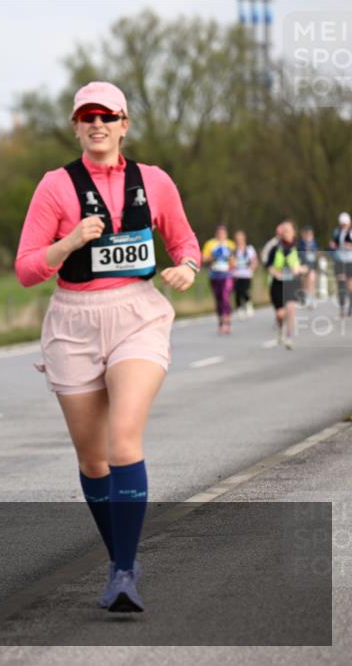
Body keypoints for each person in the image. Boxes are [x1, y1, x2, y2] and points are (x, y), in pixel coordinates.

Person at [15, 82, 201, 613]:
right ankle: (122, 557)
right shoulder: (55, 187)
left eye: (107, 115)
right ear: (75, 126)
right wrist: (71, 241)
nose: (97, 123)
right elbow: (27, 269)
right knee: (93, 458)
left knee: (123, 442)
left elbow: (185, 241)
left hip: (137, 314)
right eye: (86, 116)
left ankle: (122, 570)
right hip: (73, 321)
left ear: (125, 124)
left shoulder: (155, 181)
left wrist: (186, 267)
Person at [266, 220, 305, 349]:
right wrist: (275, 273)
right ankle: (280, 330)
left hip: (292, 283)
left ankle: (289, 336)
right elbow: (268, 265)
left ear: (294, 232)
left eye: (289, 230)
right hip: (278, 283)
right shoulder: (275, 248)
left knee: (291, 309)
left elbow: (308, 266)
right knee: (280, 314)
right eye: (284, 230)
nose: (286, 233)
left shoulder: (299, 247)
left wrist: (299, 269)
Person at [202, 224, 235, 333]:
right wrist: (213, 255)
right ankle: (221, 322)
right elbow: (203, 258)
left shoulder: (230, 244)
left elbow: (234, 260)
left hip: (227, 275)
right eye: (219, 233)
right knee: (218, 299)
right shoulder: (210, 244)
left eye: (223, 233)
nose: (221, 235)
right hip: (215, 275)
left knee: (226, 297)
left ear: (226, 234)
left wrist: (230, 260)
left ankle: (228, 322)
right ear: (216, 234)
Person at [231, 230, 258, 318]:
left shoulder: (249, 249)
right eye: (237, 238)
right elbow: (231, 261)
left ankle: (248, 305)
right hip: (237, 274)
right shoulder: (234, 250)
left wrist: (252, 267)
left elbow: (254, 260)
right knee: (238, 292)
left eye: (240, 238)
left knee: (246, 290)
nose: (239, 240)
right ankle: (239, 308)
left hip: (246, 274)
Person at [331, 212, 352, 318]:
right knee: (341, 283)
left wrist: (347, 245)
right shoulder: (337, 232)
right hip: (339, 260)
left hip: (350, 260)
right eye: (342, 224)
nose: (344, 226)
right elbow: (333, 244)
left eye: (345, 224)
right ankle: (342, 308)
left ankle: (350, 306)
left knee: (350, 285)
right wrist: (334, 245)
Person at [296, 225, 319, 308]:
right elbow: (298, 254)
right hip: (303, 264)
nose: (308, 235)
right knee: (304, 282)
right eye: (307, 233)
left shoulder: (314, 243)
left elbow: (316, 253)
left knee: (311, 280)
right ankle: (306, 297)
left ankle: (311, 298)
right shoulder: (300, 243)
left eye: (310, 233)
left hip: (312, 264)